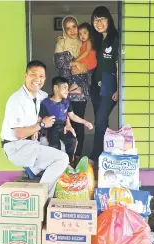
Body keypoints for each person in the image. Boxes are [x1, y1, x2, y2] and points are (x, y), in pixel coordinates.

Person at [0, 60, 69, 198]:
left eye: (42, 76)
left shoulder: (41, 96)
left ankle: (34, 170)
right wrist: (41, 125)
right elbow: (18, 133)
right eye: (33, 74)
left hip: (31, 142)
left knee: (60, 146)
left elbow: (58, 101)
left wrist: (68, 123)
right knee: (62, 159)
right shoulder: (17, 100)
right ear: (25, 76)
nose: (37, 79)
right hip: (16, 147)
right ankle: (41, 198)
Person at [54, 16, 97, 162]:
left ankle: (77, 156)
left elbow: (89, 67)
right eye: (68, 28)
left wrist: (76, 64)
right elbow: (61, 66)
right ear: (64, 30)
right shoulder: (61, 43)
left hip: (80, 93)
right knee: (64, 125)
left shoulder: (84, 43)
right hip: (64, 92)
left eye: (74, 27)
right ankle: (66, 158)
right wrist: (77, 65)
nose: (72, 31)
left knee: (78, 123)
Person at [39, 76, 93, 164]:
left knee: (72, 140)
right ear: (56, 88)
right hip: (51, 128)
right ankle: (56, 164)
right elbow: (40, 118)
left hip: (63, 127)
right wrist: (37, 131)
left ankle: (69, 162)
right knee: (55, 145)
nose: (67, 91)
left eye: (68, 88)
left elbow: (72, 116)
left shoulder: (66, 102)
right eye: (65, 88)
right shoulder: (46, 103)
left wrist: (85, 122)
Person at [90, 6, 119, 164]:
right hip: (96, 85)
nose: (98, 23)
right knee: (99, 121)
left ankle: (96, 156)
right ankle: (103, 154)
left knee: (101, 120)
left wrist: (119, 88)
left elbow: (120, 64)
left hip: (110, 84)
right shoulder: (97, 40)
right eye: (95, 20)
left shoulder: (115, 39)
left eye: (101, 19)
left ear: (109, 20)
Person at [70, 22, 96, 94]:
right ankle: (78, 86)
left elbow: (86, 52)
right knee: (77, 70)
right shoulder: (82, 43)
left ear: (89, 33)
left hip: (89, 61)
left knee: (76, 67)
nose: (82, 35)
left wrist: (77, 60)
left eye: (84, 33)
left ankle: (77, 85)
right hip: (85, 61)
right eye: (80, 34)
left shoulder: (89, 41)